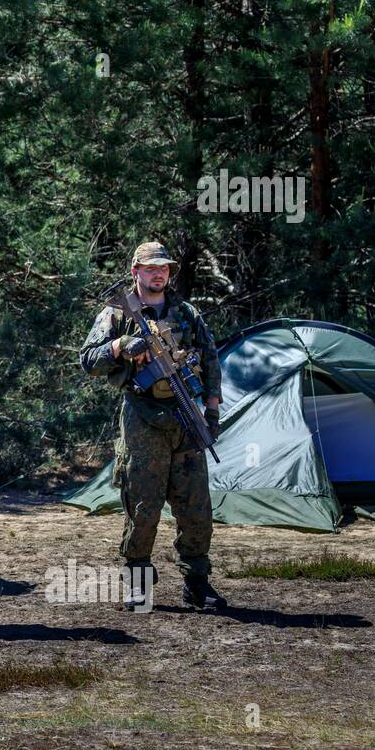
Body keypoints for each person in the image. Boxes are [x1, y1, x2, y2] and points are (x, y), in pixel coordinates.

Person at [78, 241, 227, 611]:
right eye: (150, 268)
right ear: (136, 271)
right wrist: (120, 346)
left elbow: (210, 361)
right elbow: (87, 359)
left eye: (164, 268)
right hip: (142, 417)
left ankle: (197, 583)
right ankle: (138, 584)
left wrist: (212, 410)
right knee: (142, 505)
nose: (159, 273)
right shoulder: (117, 315)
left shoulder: (187, 313)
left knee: (196, 507)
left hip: (185, 416)